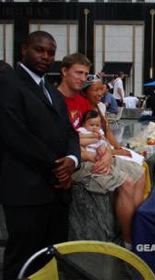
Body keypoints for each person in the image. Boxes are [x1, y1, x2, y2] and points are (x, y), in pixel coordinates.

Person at [0, 31, 80, 279]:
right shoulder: (8, 83)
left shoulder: (53, 92)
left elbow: (70, 132)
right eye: (39, 50)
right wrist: (58, 167)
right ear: (24, 49)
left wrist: (72, 160)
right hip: (26, 191)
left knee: (50, 259)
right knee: (22, 260)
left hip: (57, 194)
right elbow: (16, 136)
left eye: (51, 52)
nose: (46, 57)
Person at [58, 54, 145, 248]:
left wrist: (107, 152)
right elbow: (62, 141)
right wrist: (92, 153)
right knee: (127, 182)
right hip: (77, 161)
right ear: (64, 71)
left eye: (86, 74)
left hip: (96, 153)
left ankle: (137, 226)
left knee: (139, 173)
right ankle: (129, 241)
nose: (82, 78)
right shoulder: (56, 101)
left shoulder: (81, 102)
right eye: (78, 73)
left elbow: (99, 133)